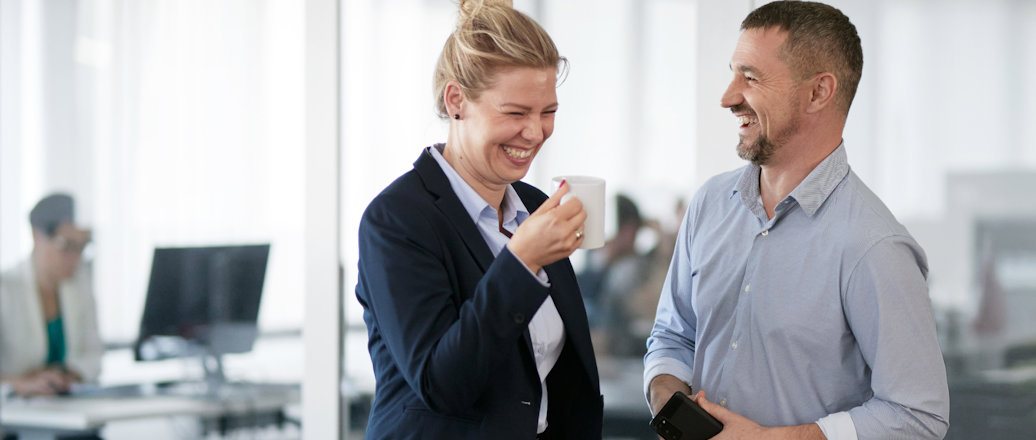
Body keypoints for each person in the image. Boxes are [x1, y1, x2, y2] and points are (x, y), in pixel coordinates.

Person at [644, 2, 949, 439]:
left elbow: (919, 417)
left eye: (750, 78)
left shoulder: (873, 245)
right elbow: (673, 337)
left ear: (818, 92)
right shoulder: (709, 204)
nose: (728, 97)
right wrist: (671, 407)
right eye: (733, 73)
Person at [354, 1, 602, 438]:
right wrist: (522, 262)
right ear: (457, 101)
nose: (535, 132)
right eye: (515, 112)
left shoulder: (533, 204)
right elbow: (441, 383)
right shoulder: (396, 220)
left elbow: (557, 379)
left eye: (548, 112)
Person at [1, 193, 103, 397]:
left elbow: (95, 355)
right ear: (37, 236)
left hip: (67, 406)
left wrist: (67, 374)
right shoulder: (6, 288)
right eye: (66, 245)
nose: (76, 257)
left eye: (82, 246)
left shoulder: (80, 285)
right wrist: (22, 383)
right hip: (13, 414)